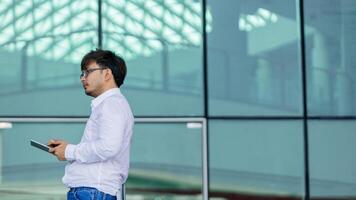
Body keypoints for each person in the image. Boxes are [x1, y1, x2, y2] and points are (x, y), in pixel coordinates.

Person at [48, 49, 134, 200]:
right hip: (93, 190)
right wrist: (66, 149)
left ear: (107, 74)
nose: (83, 78)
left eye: (88, 72)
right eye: (82, 73)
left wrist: (69, 151)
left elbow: (108, 147)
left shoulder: (111, 104)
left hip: (94, 190)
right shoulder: (110, 104)